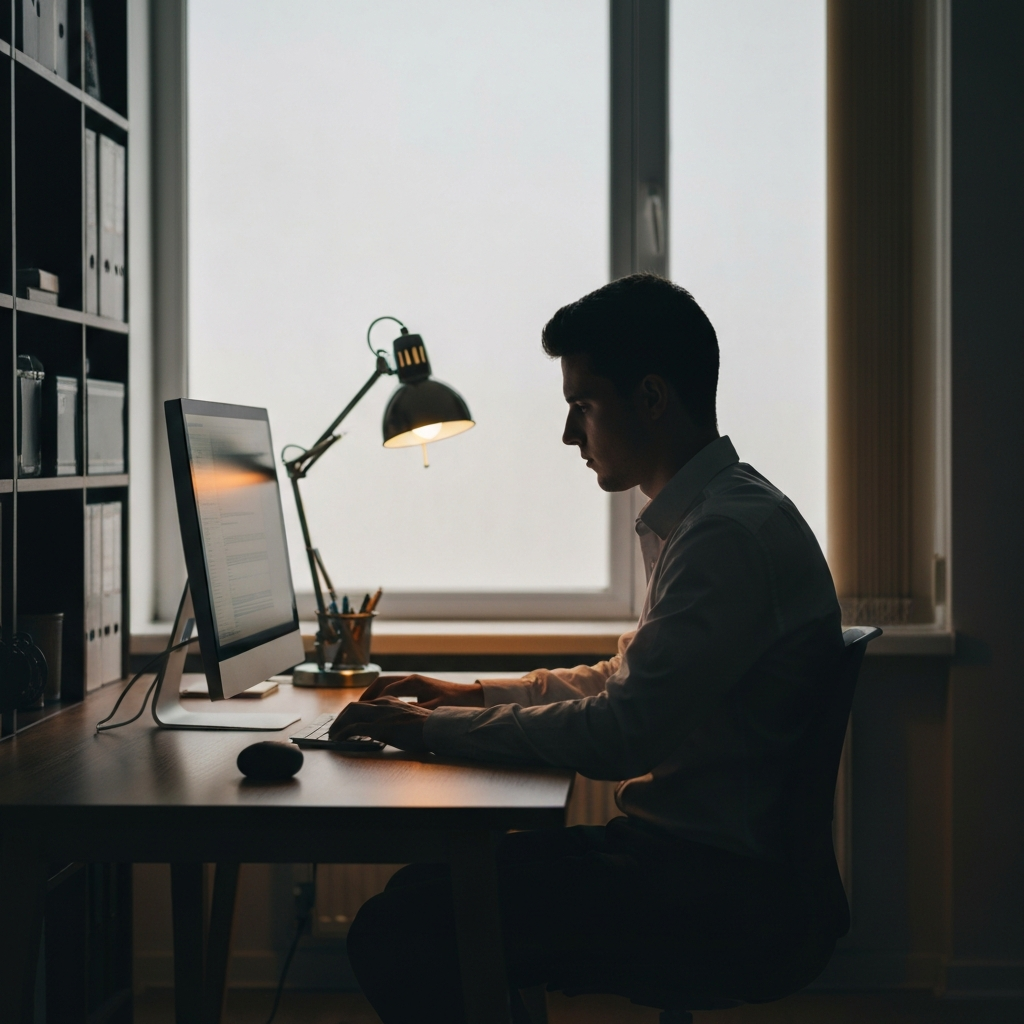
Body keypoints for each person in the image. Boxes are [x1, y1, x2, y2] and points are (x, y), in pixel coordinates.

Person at [330, 273, 846, 1023]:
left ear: (651, 398)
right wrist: (467, 697)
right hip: (691, 862)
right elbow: (622, 680)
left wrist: (430, 732)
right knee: (421, 892)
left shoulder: (725, 537)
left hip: (713, 893)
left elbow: (621, 732)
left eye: (583, 405)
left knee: (398, 930)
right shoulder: (714, 517)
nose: (570, 434)